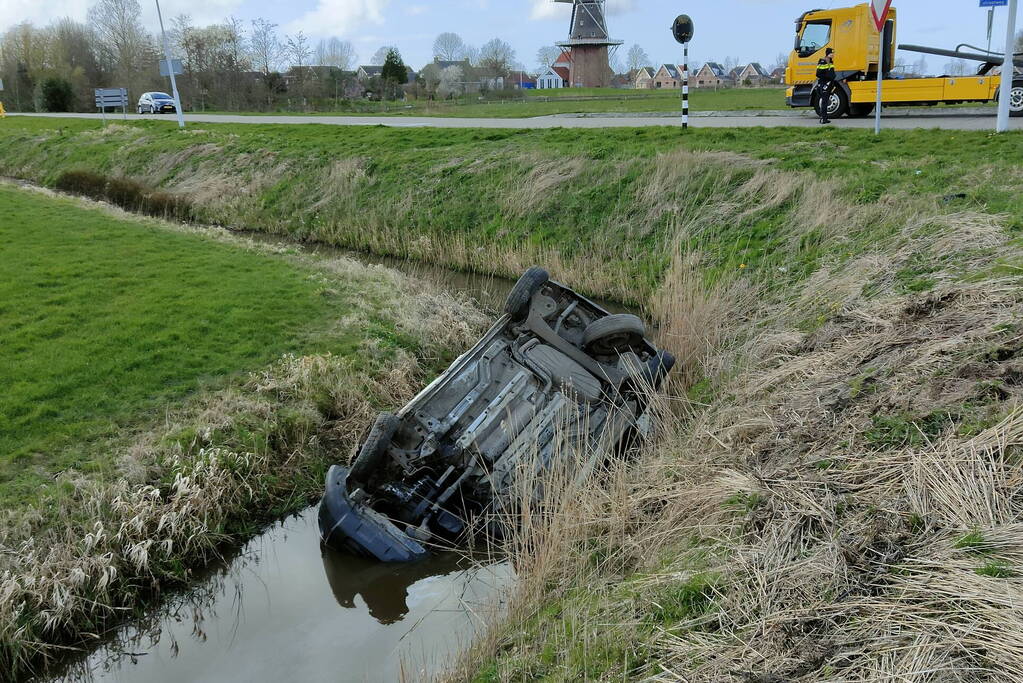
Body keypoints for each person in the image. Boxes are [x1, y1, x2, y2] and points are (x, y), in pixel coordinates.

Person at [816, 48, 836, 124]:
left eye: (833, 53)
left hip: (829, 84)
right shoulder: (822, 61)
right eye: (831, 53)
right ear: (828, 53)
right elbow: (818, 74)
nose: (833, 54)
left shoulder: (830, 62)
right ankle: (823, 119)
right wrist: (828, 78)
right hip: (824, 84)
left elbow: (831, 73)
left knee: (826, 102)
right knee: (824, 102)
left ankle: (825, 118)